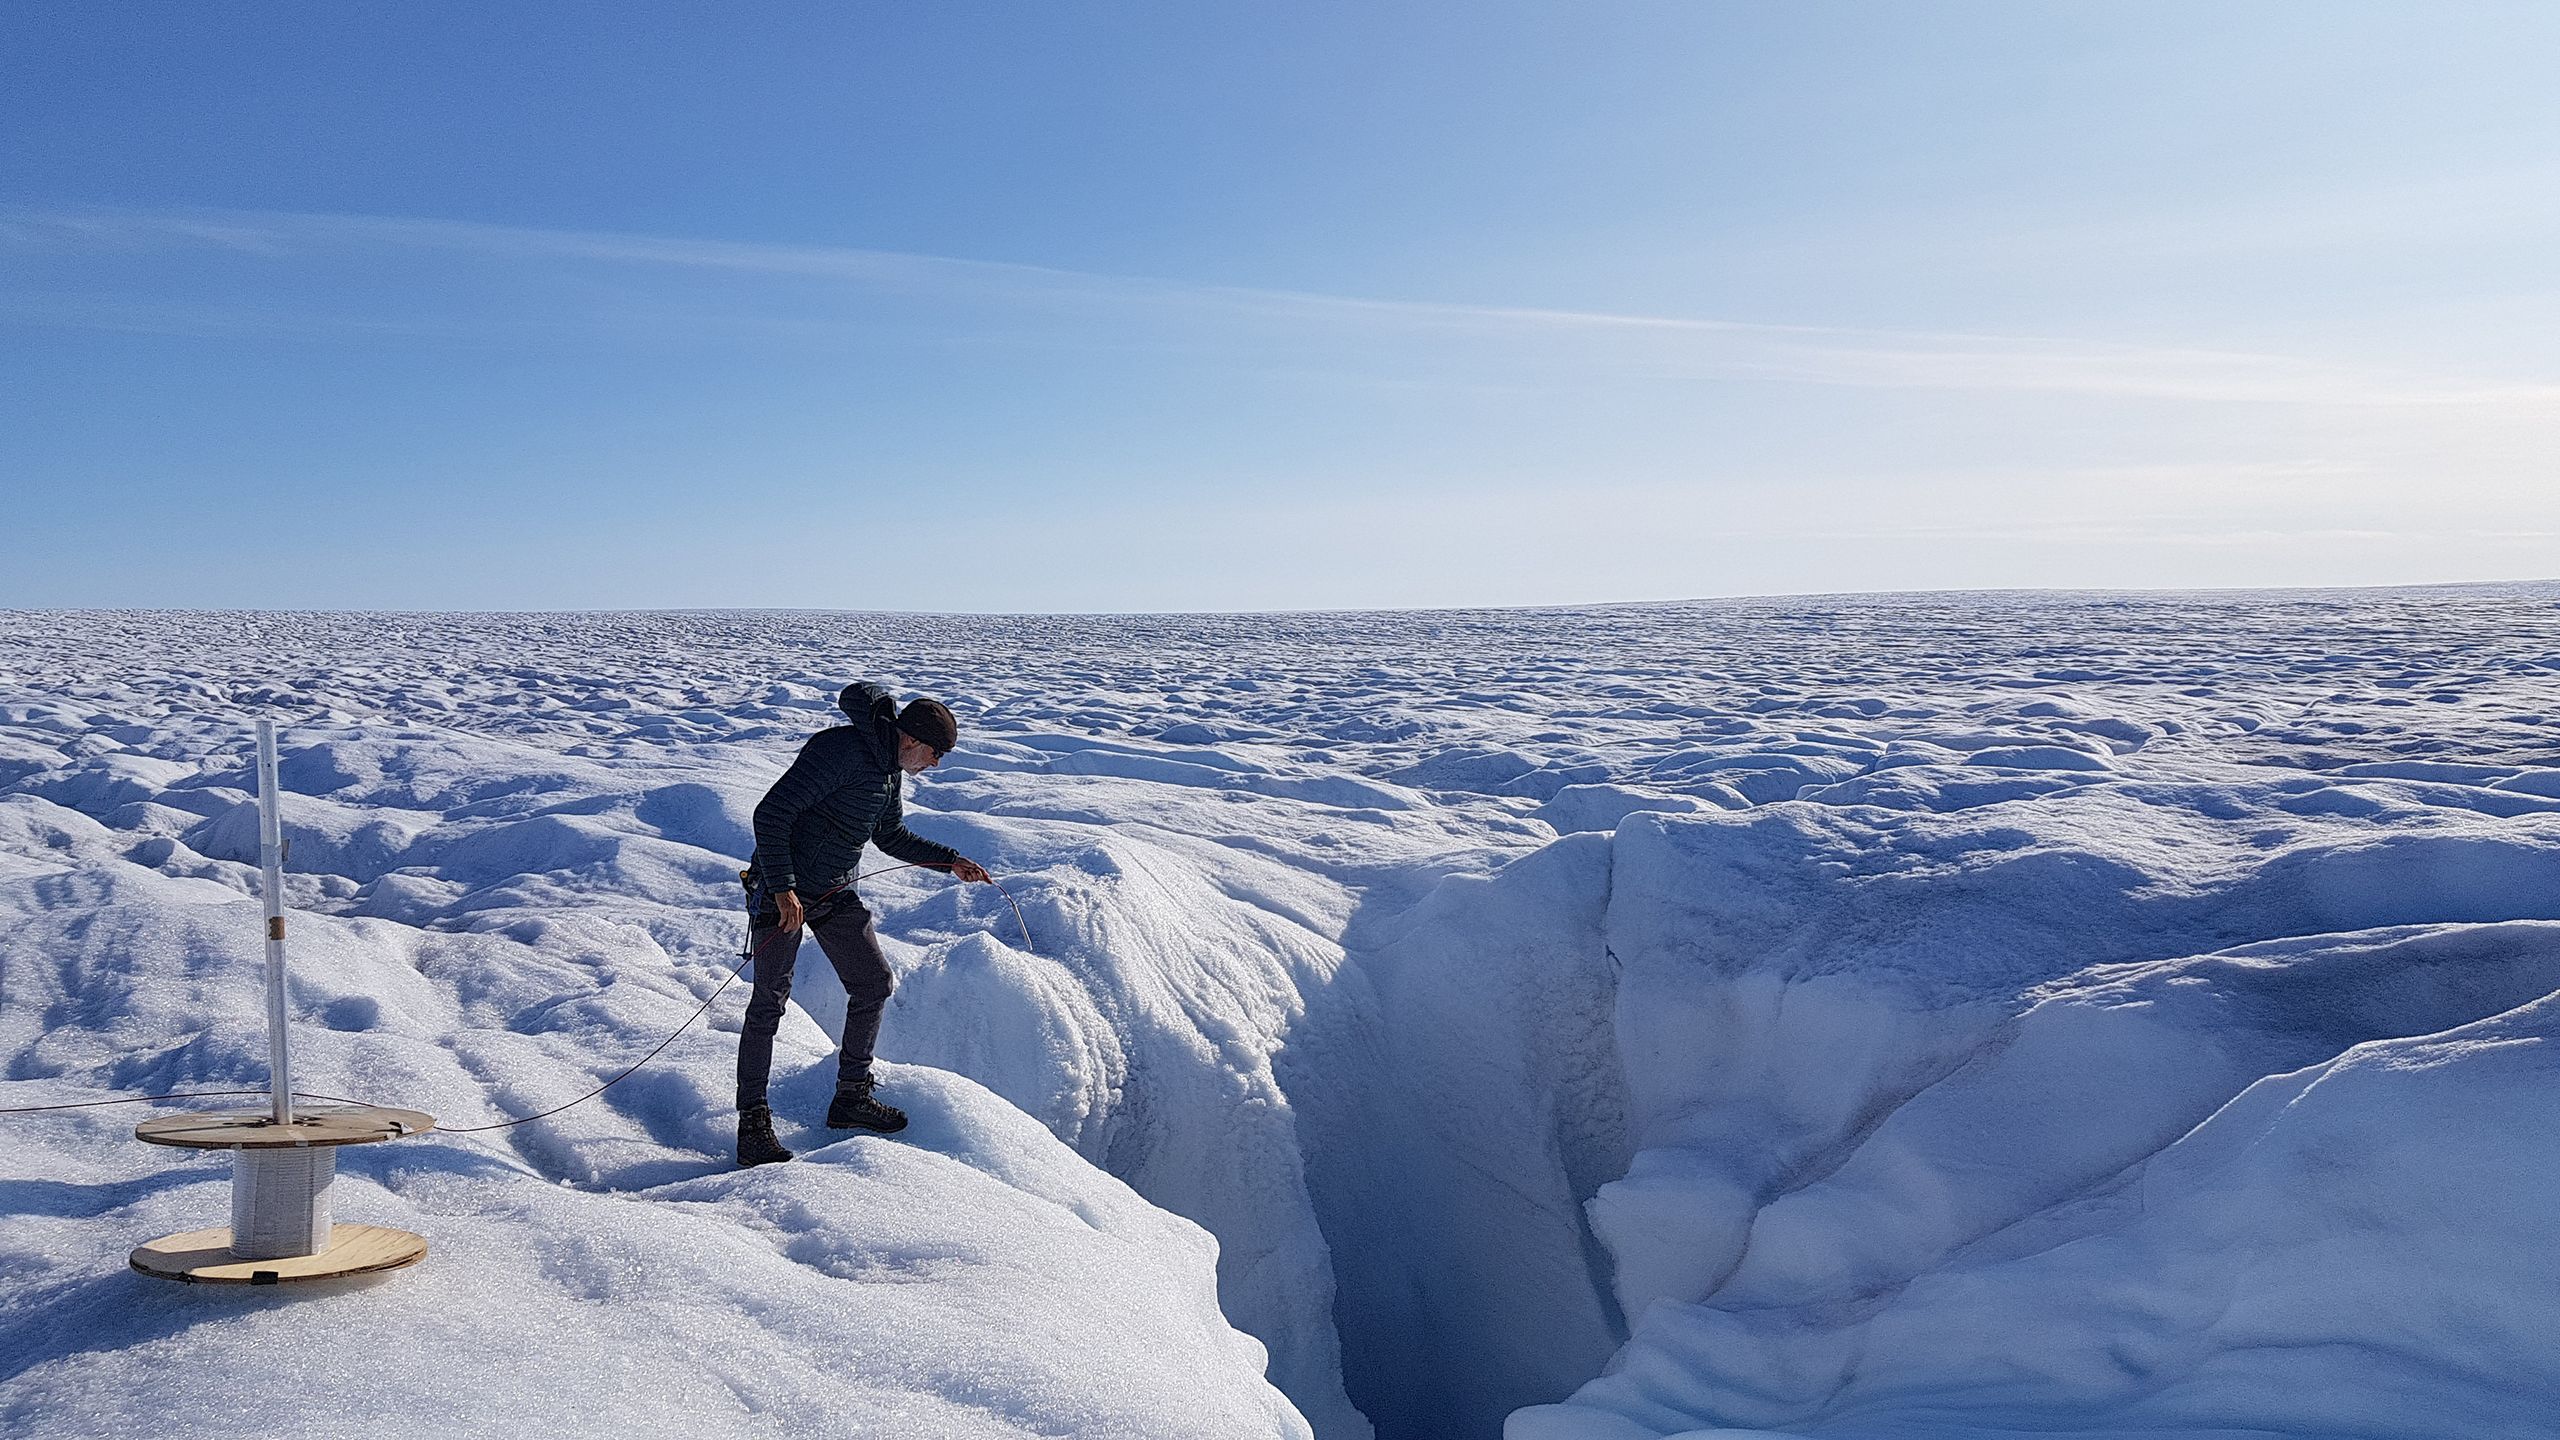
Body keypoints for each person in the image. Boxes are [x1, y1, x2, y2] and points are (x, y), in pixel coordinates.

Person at [735, 682, 990, 1167]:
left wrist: (950, 860)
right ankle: (753, 1123)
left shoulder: (890, 771)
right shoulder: (839, 751)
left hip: (833, 891)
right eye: (935, 755)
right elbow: (771, 813)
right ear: (911, 740)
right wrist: (784, 888)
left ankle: (850, 1097)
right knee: (768, 1004)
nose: (935, 766)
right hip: (780, 892)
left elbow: (889, 834)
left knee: (873, 982)